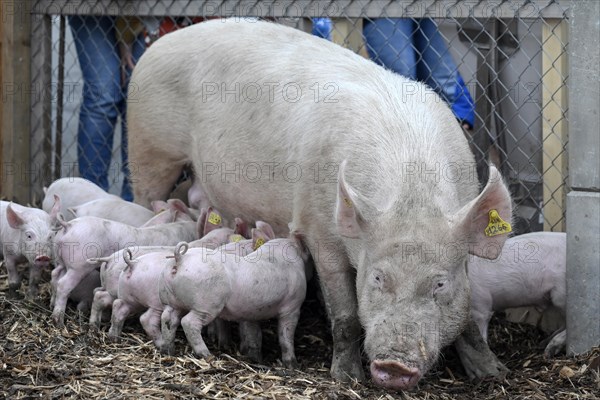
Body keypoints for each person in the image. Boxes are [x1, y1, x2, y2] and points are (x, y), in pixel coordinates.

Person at [69, 16, 146, 201]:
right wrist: (125, 38)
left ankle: (133, 203)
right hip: (89, 9)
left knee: (137, 97)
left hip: (143, 13)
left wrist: (125, 37)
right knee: (102, 96)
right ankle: (91, 201)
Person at [363, 18, 475, 130]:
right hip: (382, 10)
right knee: (403, 81)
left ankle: (455, 125)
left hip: (421, 8)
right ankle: (406, 133)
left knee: (443, 80)